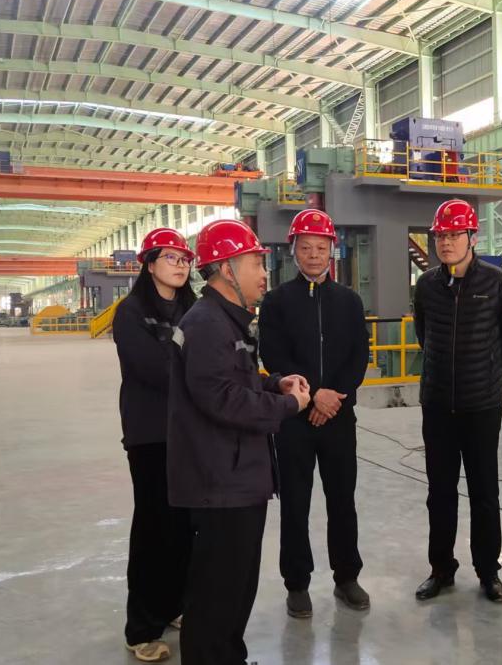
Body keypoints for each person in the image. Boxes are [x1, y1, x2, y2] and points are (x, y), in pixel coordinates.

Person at [166, 219, 310, 665]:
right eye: (255, 264)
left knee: (236, 588)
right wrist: (288, 406)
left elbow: (235, 379)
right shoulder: (207, 323)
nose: (264, 274)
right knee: (217, 594)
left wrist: (274, 383)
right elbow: (221, 399)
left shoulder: (227, 320)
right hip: (220, 481)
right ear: (228, 269)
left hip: (237, 475)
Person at [259, 209, 370, 619]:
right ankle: (297, 584)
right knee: (296, 503)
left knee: (342, 500)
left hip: (338, 416)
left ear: (331, 251)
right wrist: (311, 396)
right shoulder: (276, 302)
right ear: (293, 251)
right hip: (294, 419)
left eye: (320, 248)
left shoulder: (349, 301)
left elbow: (359, 355)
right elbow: (273, 356)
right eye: (305, 248)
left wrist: (333, 397)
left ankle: (347, 577)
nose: (313, 255)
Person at [412, 198, 502, 603]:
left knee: (484, 492)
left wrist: (489, 368)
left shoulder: (498, 284)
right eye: (440, 235)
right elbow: (424, 334)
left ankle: (488, 571)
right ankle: (441, 569)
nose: (446, 242)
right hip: (438, 405)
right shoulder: (427, 286)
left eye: (454, 234)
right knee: (439, 492)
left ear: (472, 238)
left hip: (481, 406)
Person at [113, 227, 197, 663]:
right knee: (152, 527)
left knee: (183, 525)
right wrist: (200, 375)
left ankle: (174, 604)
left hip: (190, 432)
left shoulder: (193, 309)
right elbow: (154, 369)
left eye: (184, 258)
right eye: (170, 257)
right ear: (149, 265)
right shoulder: (131, 312)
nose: (180, 265)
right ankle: (142, 627)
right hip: (150, 435)